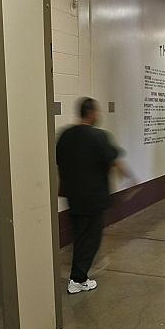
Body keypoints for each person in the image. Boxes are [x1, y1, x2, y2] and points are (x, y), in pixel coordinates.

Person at [56, 98, 133, 294]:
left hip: (73, 197)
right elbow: (114, 159)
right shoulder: (99, 136)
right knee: (91, 239)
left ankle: (78, 274)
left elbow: (60, 164)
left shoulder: (65, 136)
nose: (98, 115)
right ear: (91, 113)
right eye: (97, 112)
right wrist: (129, 178)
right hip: (93, 198)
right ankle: (78, 279)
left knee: (80, 237)